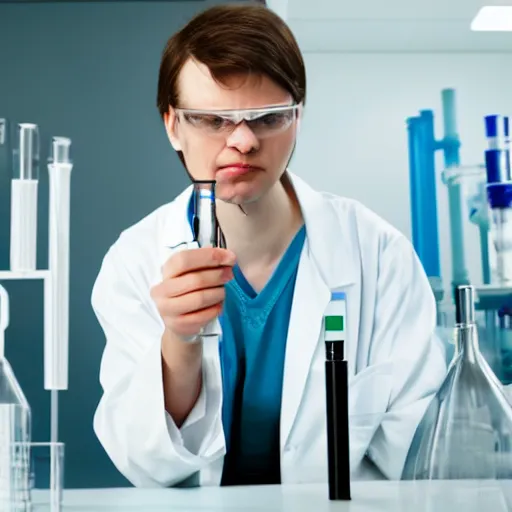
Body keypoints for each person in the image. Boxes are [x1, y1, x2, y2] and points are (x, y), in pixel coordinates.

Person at [91, 2, 447, 488]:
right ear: (173, 125)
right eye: (212, 120)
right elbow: (145, 462)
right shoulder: (135, 261)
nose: (242, 141)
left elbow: (422, 449)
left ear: (297, 117)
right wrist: (179, 341)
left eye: (266, 118)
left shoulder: (378, 255)